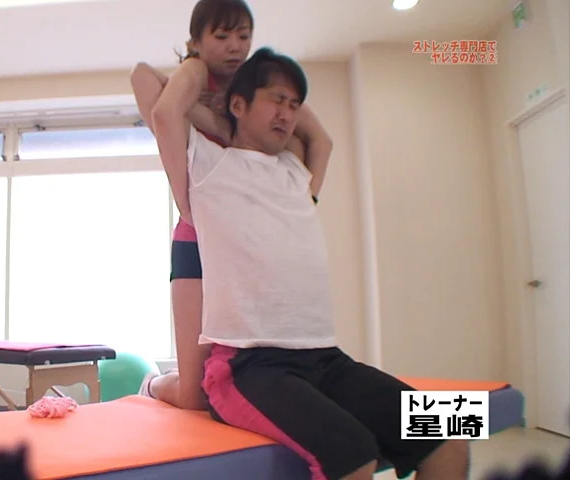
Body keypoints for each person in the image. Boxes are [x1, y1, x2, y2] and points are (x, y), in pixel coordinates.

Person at [150, 46, 472, 480]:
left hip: (326, 359)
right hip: (248, 366)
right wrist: (202, 63)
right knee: (355, 454)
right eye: (277, 100)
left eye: (294, 104)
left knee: (452, 433)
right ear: (238, 105)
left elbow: (323, 138)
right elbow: (161, 104)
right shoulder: (207, 165)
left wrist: (279, 102)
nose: (288, 113)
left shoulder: (295, 170)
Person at [129, 0, 333, 411]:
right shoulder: (195, 76)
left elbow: (322, 141)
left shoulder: (259, 90)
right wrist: (185, 200)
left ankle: (437, 427)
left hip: (250, 244)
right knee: (195, 396)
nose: (235, 46)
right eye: (222, 36)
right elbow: (156, 98)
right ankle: (153, 384)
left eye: (243, 36)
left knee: (265, 375)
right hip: (198, 235)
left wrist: (305, 201)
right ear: (196, 42)